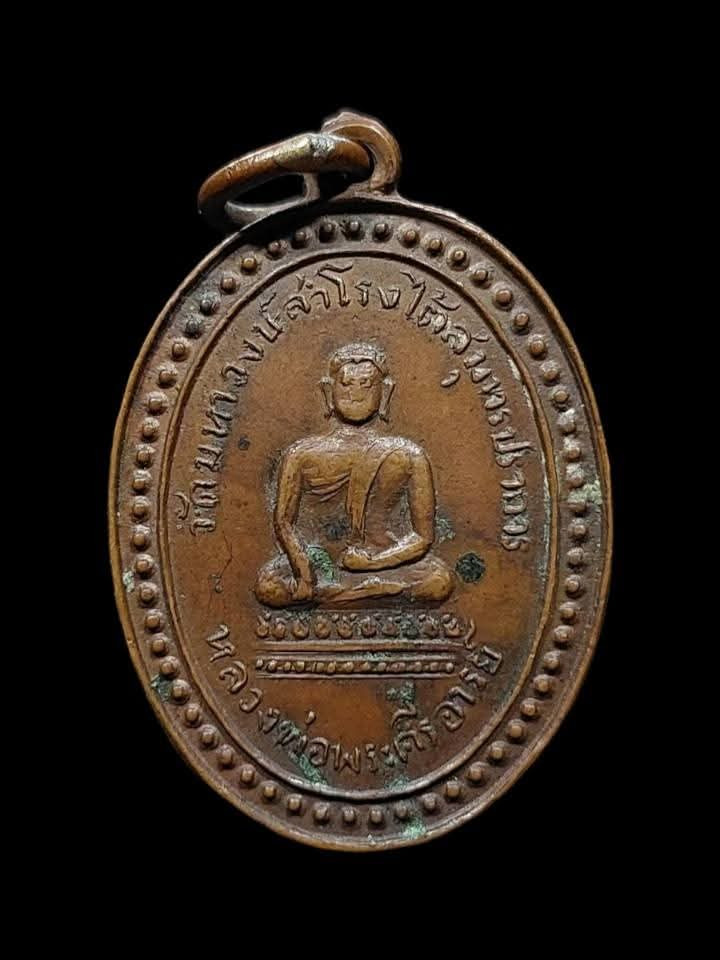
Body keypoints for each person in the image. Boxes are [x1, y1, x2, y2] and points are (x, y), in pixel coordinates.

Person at [254, 342, 454, 607]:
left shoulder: (408, 454)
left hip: (383, 561)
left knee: (439, 579)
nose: (356, 393)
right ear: (328, 391)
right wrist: (304, 571)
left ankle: (342, 595)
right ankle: (371, 593)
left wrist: (372, 563)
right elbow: (283, 522)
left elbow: (423, 537)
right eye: (346, 384)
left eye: (366, 385)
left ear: (385, 392)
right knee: (268, 585)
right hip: (320, 564)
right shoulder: (301, 453)